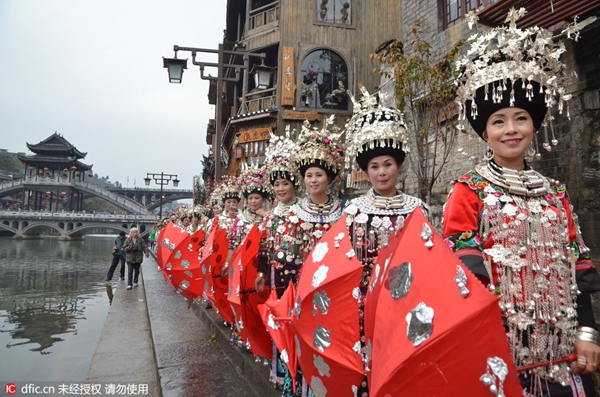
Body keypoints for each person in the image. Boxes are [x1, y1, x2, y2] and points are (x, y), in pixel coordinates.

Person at [443, 14, 600, 396]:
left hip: (562, 347)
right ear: (485, 132)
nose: (510, 129)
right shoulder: (469, 190)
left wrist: (587, 332)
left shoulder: (555, 193)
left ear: (535, 125)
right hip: (497, 344)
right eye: (499, 120)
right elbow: (461, 270)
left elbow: (575, 265)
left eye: (521, 118)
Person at [342, 88, 428, 396]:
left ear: (399, 166)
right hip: (367, 302)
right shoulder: (353, 211)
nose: (382, 172)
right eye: (374, 166)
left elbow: (431, 257)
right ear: (366, 171)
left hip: (411, 298)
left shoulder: (419, 208)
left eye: (388, 164)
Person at [269, 116, 345, 397]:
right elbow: (286, 260)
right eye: (309, 175)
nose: (313, 180)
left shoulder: (345, 211)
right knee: (307, 345)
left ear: (331, 178)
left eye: (319, 175)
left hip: (337, 289)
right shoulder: (294, 214)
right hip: (305, 290)